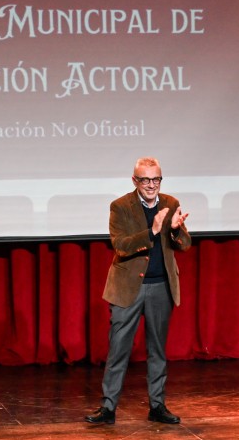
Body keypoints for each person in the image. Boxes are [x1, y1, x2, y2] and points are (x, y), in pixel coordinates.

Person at [85, 157, 192, 426]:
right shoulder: (120, 206)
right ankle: (108, 408)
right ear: (135, 181)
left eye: (156, 179)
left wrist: (176, 231)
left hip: (160, 288)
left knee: (157, 350)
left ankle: (157, 406)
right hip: (127, 289)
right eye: (145, 180)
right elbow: (120, 245)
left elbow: (185, 245)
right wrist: (152, 231)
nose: (151, 185)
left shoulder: (171, 203)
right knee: (118, 350)